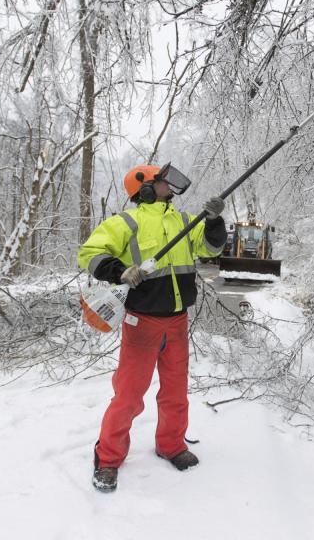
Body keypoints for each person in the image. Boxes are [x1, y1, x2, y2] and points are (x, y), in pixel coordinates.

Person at [77, 163, 226, 493]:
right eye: (162, 181)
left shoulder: (185, 221)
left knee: (175, 391)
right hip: (141, 322)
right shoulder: (126, 223)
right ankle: (108, 459)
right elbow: (89, 253)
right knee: (129, 395)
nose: (169, 185)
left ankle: (171, 445)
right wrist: (120, 271)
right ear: (144, 188)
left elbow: (212, 249)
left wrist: (214, 220)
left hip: (177, 320)